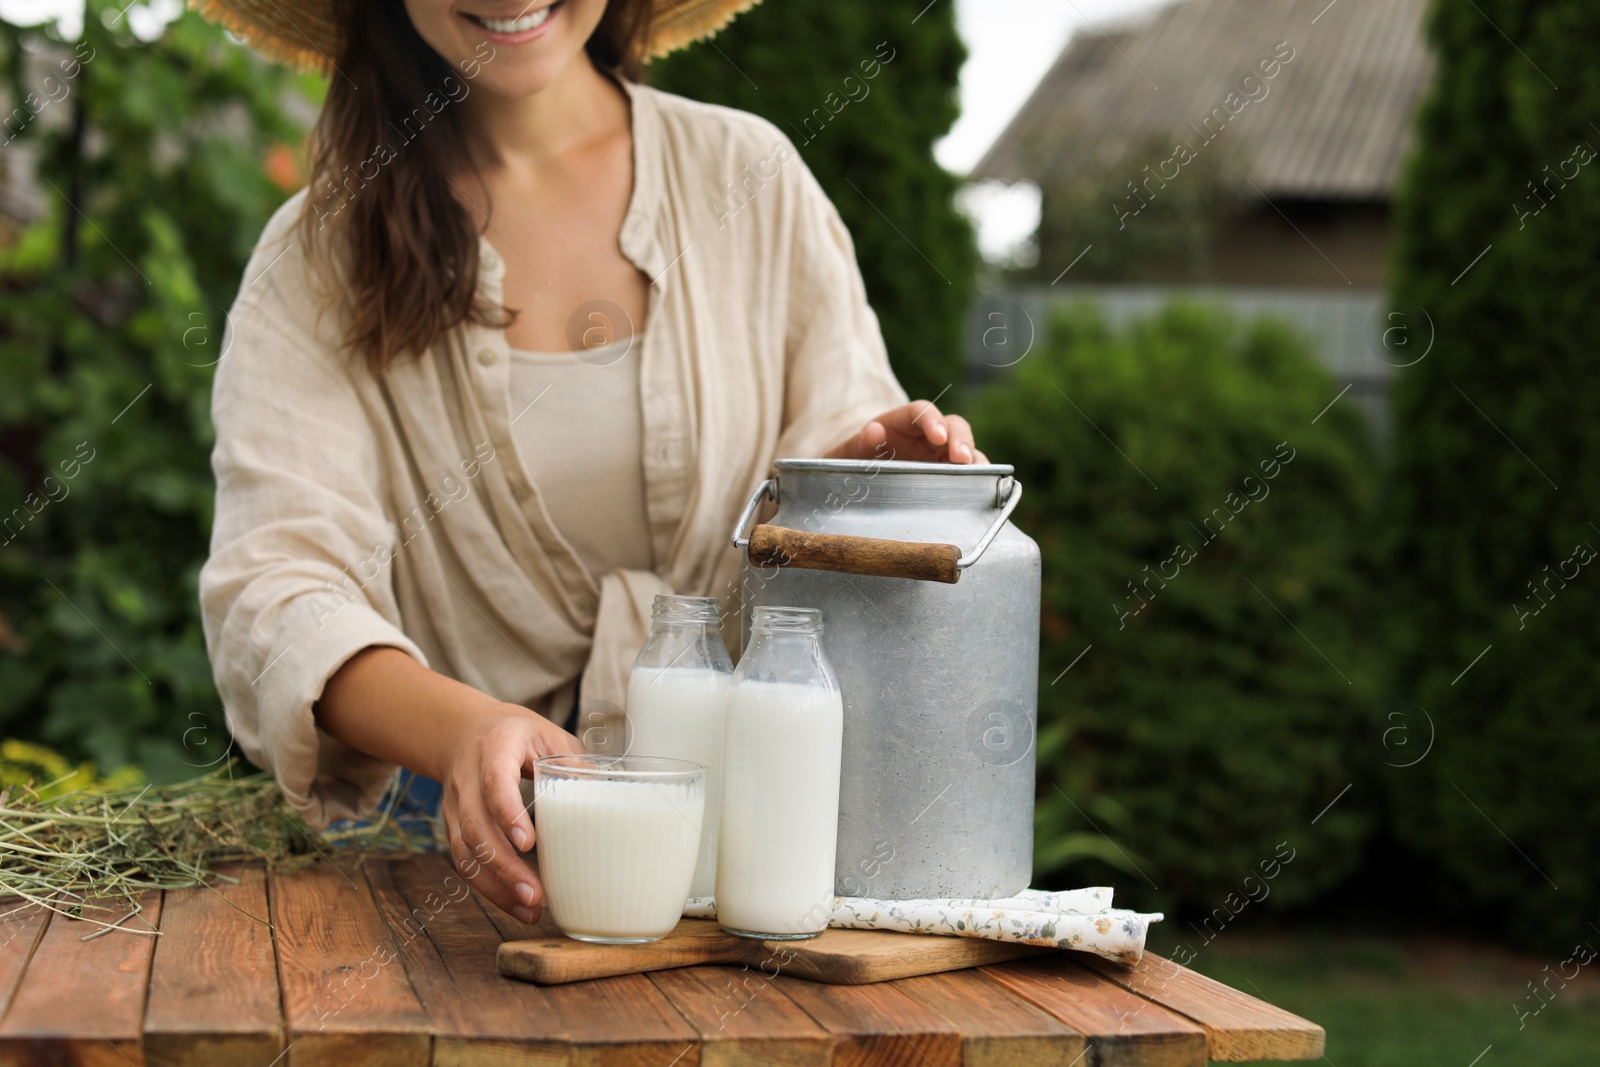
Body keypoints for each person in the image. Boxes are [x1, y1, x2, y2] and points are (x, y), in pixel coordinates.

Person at [197, 0, 987, 927]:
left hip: (765, 848)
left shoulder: (751, 178)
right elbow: (275, 590)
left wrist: (866, 486)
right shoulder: (318, 254)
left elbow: (843, 465)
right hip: (459, 854)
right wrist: (464, 732)